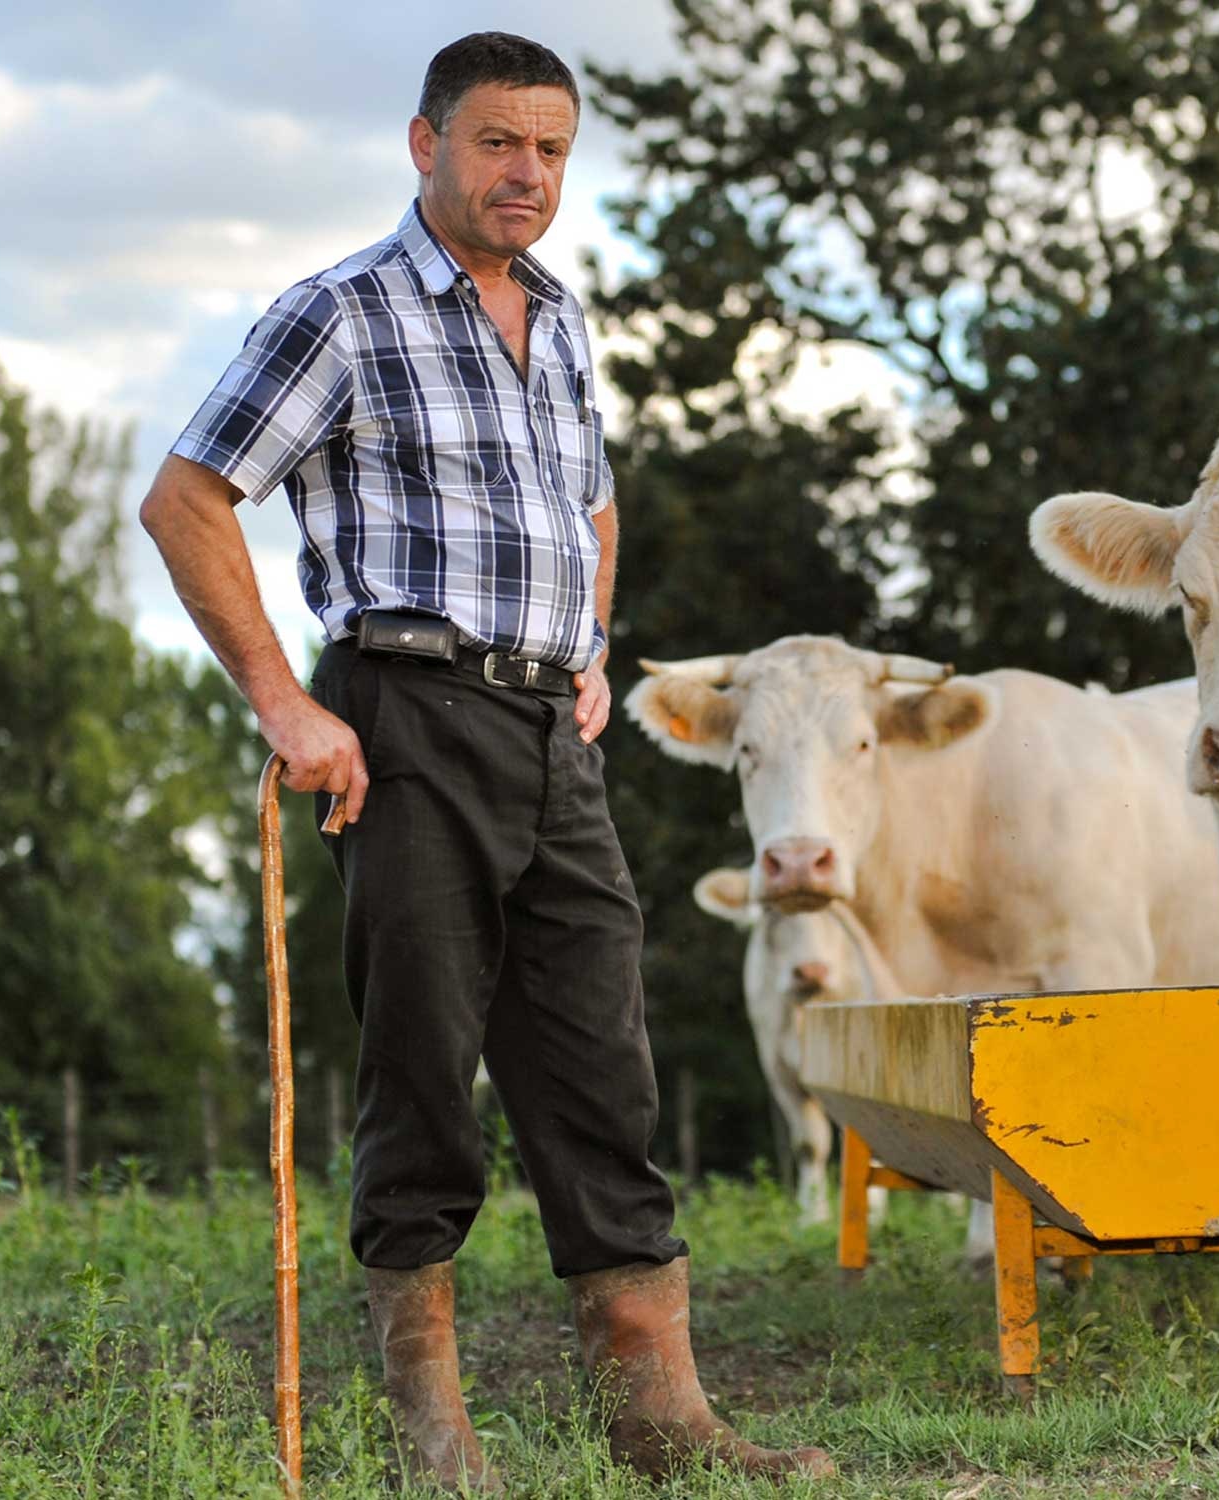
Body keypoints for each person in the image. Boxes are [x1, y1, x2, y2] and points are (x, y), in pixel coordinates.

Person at [139, 31, 833, 1490]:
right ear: (424, 145)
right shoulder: (342, 311)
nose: (528, 175)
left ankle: (663, 1423)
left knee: (602, 1058)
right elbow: (188, 496)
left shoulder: (567, 320)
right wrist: (286, 705)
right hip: (402, 721)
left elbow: (591, 502)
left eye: (553, 150)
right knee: (423, 1061)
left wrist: (588, 648)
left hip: (544, 732)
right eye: (498, 142)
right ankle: (431, 1439)